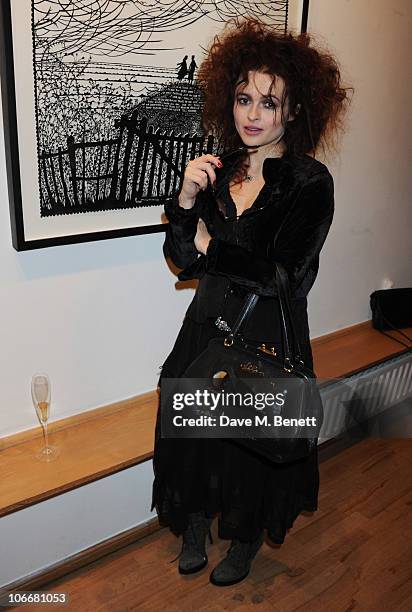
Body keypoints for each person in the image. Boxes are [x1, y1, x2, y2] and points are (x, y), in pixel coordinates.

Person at [151, 17, 352, 587]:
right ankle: (194, 526)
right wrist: (186, 202)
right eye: (244, 98)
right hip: (205, 327)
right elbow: (185, 261)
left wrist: (215, 248)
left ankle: (243, 542)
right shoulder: (219, 169)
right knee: (191, 439)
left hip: (267, 336)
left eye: (269, 102)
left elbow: (290, 278)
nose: (253, 114)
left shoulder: (309, 182)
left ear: (293, 112)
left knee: (251, 449)